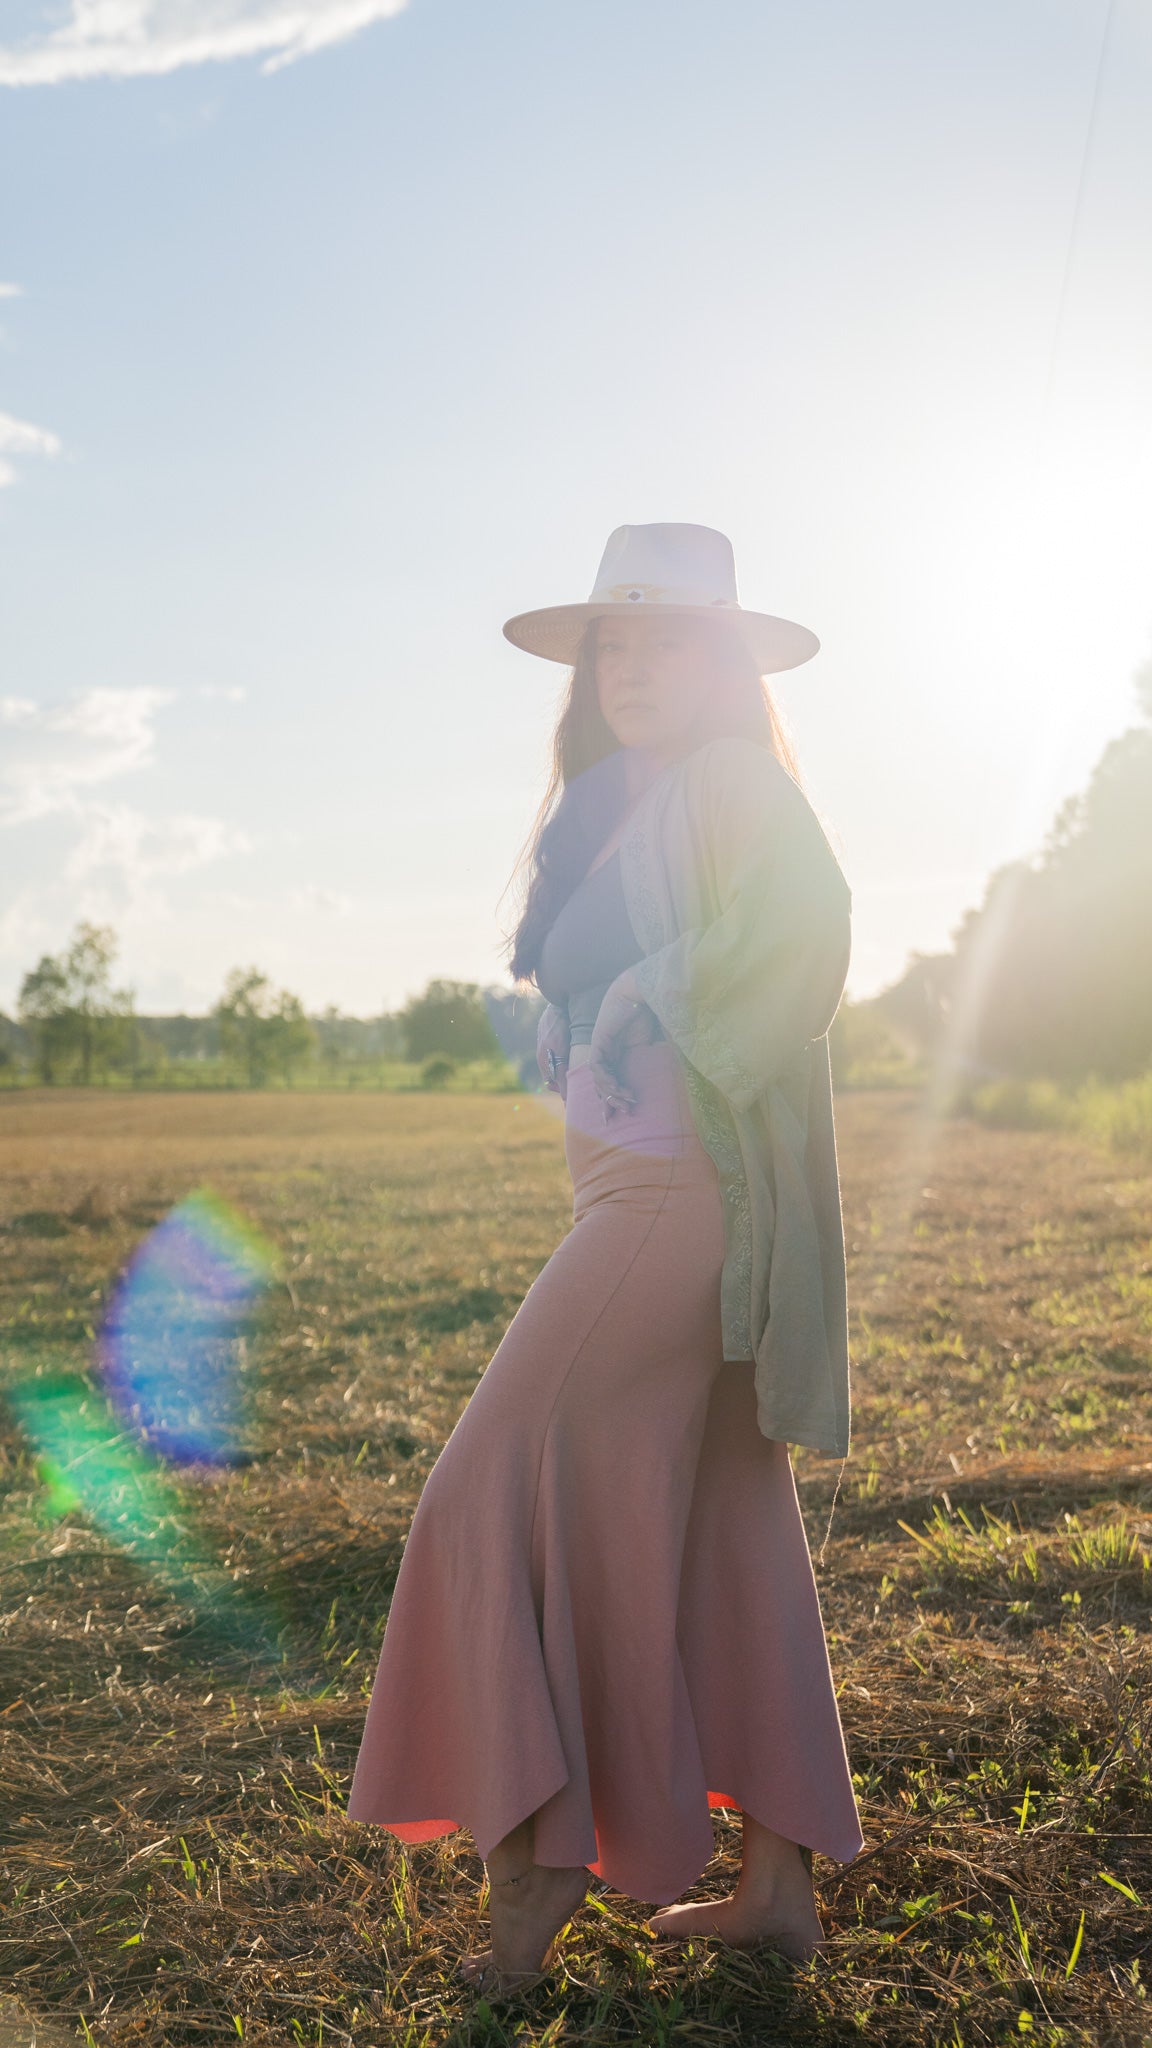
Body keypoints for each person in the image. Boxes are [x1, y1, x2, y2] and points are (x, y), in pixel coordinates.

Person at [347, 523, 864, 1995]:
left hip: (672, 1209)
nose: (632, 669)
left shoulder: (731, 779)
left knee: (481, 1485)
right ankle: (776, 1888)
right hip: (631, 1199)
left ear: (723, 663)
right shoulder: (613, 804)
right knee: (724, 1525)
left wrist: (660, 982)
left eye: (666, 642)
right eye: (611, 646)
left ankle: (542, 1851)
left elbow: (810, 932)